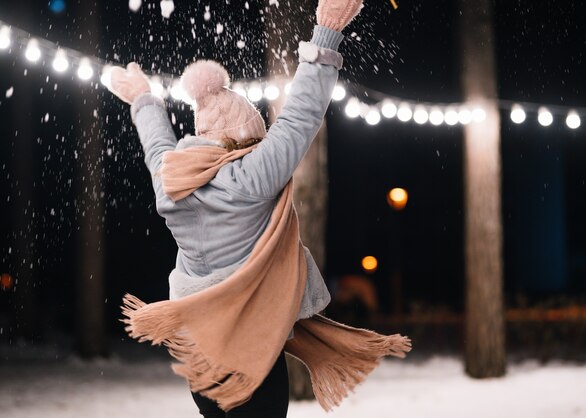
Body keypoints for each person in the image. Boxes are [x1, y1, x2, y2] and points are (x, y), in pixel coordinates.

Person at [108, 1, 411, 417]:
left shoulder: (171, 180)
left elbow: (158, 144)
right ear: (245, 141)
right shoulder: (251, 178)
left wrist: (143, 98)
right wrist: (326, 31)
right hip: (254, 358)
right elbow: (300, 117)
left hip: (204, 357)